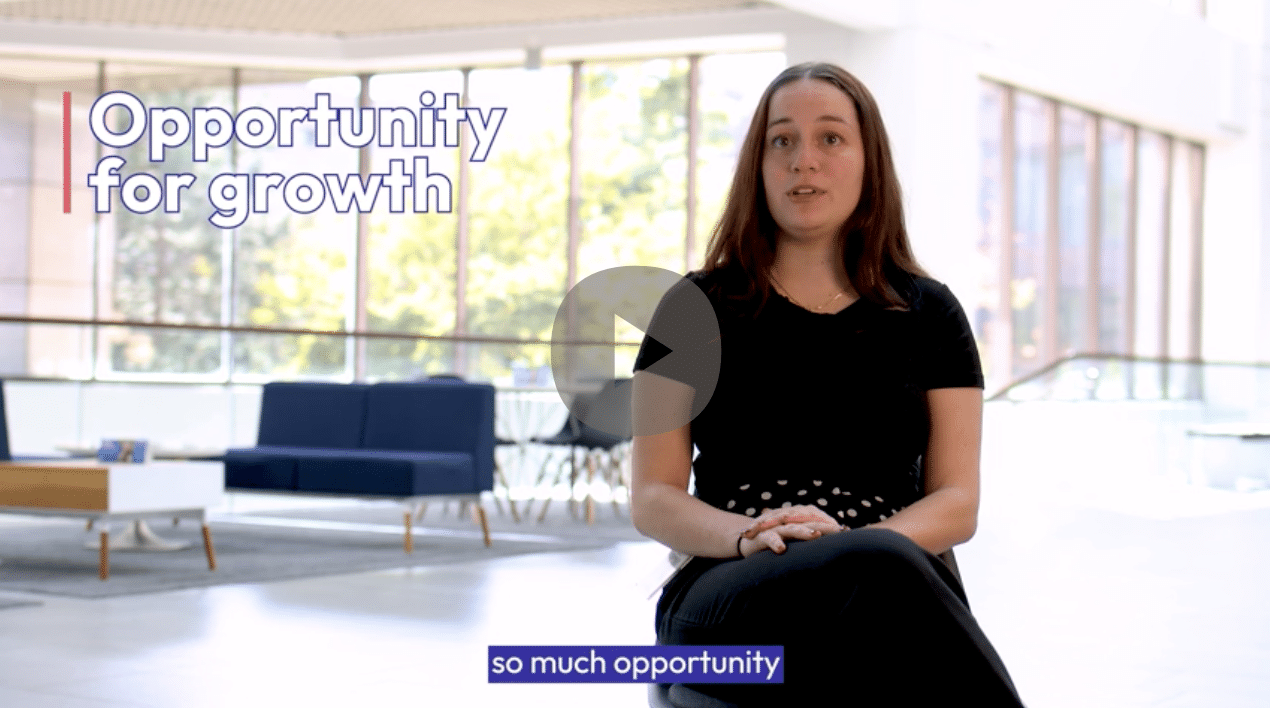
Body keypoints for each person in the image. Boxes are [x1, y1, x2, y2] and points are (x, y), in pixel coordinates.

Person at [629, 62, 1026, 706]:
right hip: (738, 581)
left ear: (870, 161)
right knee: (879, 574)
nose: (802, 160)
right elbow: (652, 496)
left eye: (830, 138)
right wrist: (746, 534)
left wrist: (856, 546)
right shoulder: (690, 309)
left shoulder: (931, 314)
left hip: (893, 579)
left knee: (878, 568)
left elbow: (958, 501)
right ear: (757, 164)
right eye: (781, 140)